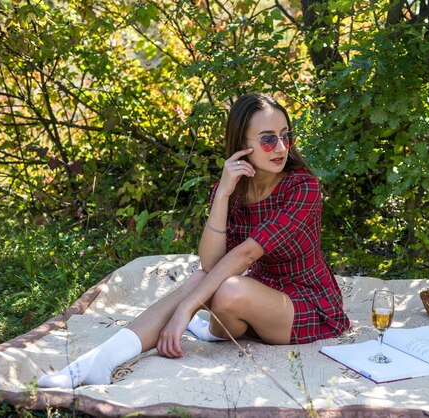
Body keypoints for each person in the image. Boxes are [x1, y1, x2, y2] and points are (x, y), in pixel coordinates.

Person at [37, 93, 350, 389]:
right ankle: (97, 363)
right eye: (268, 139)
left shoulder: (303, 187)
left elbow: (245, 254)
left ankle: (200, 327)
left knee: (224, 287)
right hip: (255, 296)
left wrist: (186, 309)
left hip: (306, 302)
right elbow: (211, 263)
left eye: (286, 135)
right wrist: (224, 193)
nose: (281, 147)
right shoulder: (231, 188)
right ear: (243, 143)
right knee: (208, 279)